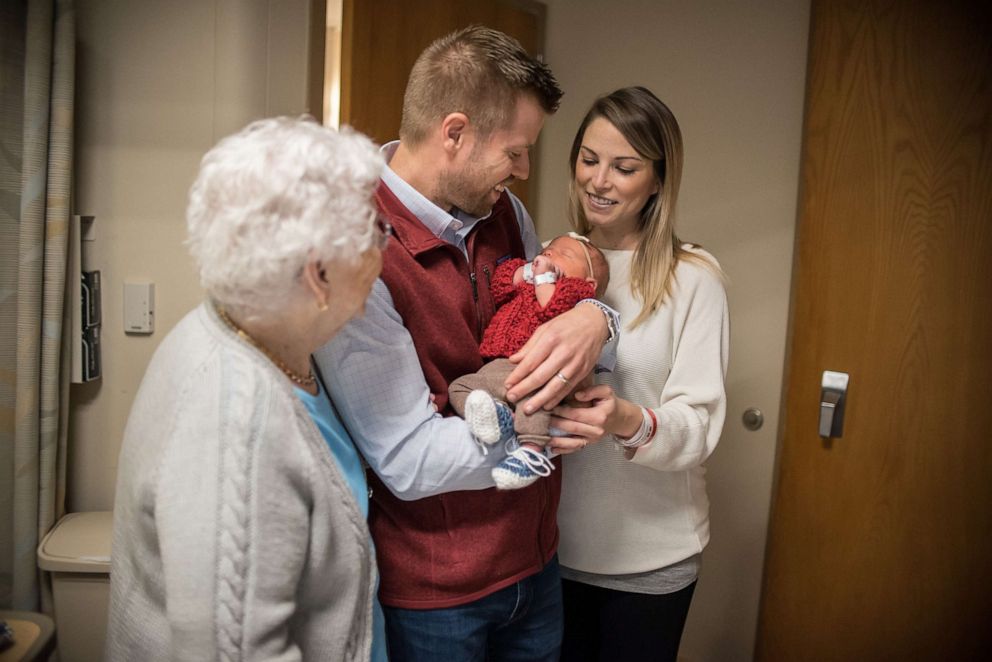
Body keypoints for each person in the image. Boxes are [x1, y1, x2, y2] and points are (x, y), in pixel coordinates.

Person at [315, 26, 619, 661]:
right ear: (453, 132)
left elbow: (553, 307)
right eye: (514, 151)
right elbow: (408, 456)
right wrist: (547, 428)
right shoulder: (353, 247)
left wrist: (597, 319)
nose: (525, 171)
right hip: (439, 595)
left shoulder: (504, 212)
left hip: (536, 565)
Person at [106, 117, 390, 661]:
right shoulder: (237, 422)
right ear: (318, 274)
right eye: (373, 232)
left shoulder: (262, 334)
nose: (384, 246)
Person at [550, 87, 730, 662]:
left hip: (649, 559)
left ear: (656, 179)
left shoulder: (694, 278)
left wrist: (626, 418)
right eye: (588, 159)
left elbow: (698, 425)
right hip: (549, 551)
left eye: (624, 168)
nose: (599, 181)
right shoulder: (551, 265)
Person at [448, 232, 610, 490]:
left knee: (535, 399)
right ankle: (495, 417)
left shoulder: (577, 294)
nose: (550, 254)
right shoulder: (527, 283)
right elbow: (500, 282)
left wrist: (545, 276)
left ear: (589, 283)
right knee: (460, 387)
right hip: (501, 365)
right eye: (549, 250)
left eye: (565, 255)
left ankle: (532, 450)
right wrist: (526, 272)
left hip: (541, 366)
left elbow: (551, 307)